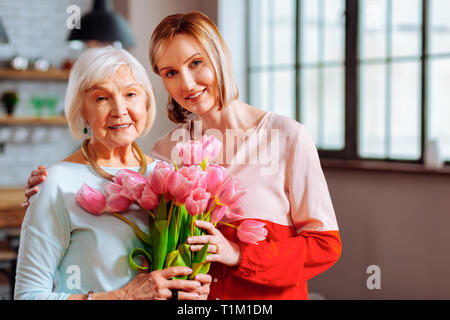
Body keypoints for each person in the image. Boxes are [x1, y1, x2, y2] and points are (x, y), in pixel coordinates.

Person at [24, 11, 341, 300]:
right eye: (171, 72)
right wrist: (53, 182)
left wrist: (238, 254)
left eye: (196, 63)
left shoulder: (287, 138)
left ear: (219, 57)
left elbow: (325, 246)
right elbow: (111, 175)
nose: (186, 83)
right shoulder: (166, 151)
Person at [15, 46, 211, 300]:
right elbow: (28, 295)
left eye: (130, 94)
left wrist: (192, 283)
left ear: (146, 102)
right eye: (101, 98)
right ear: (82, 111)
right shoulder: (55, 183)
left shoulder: (168, 176)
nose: (119, 110)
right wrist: (122, 296)